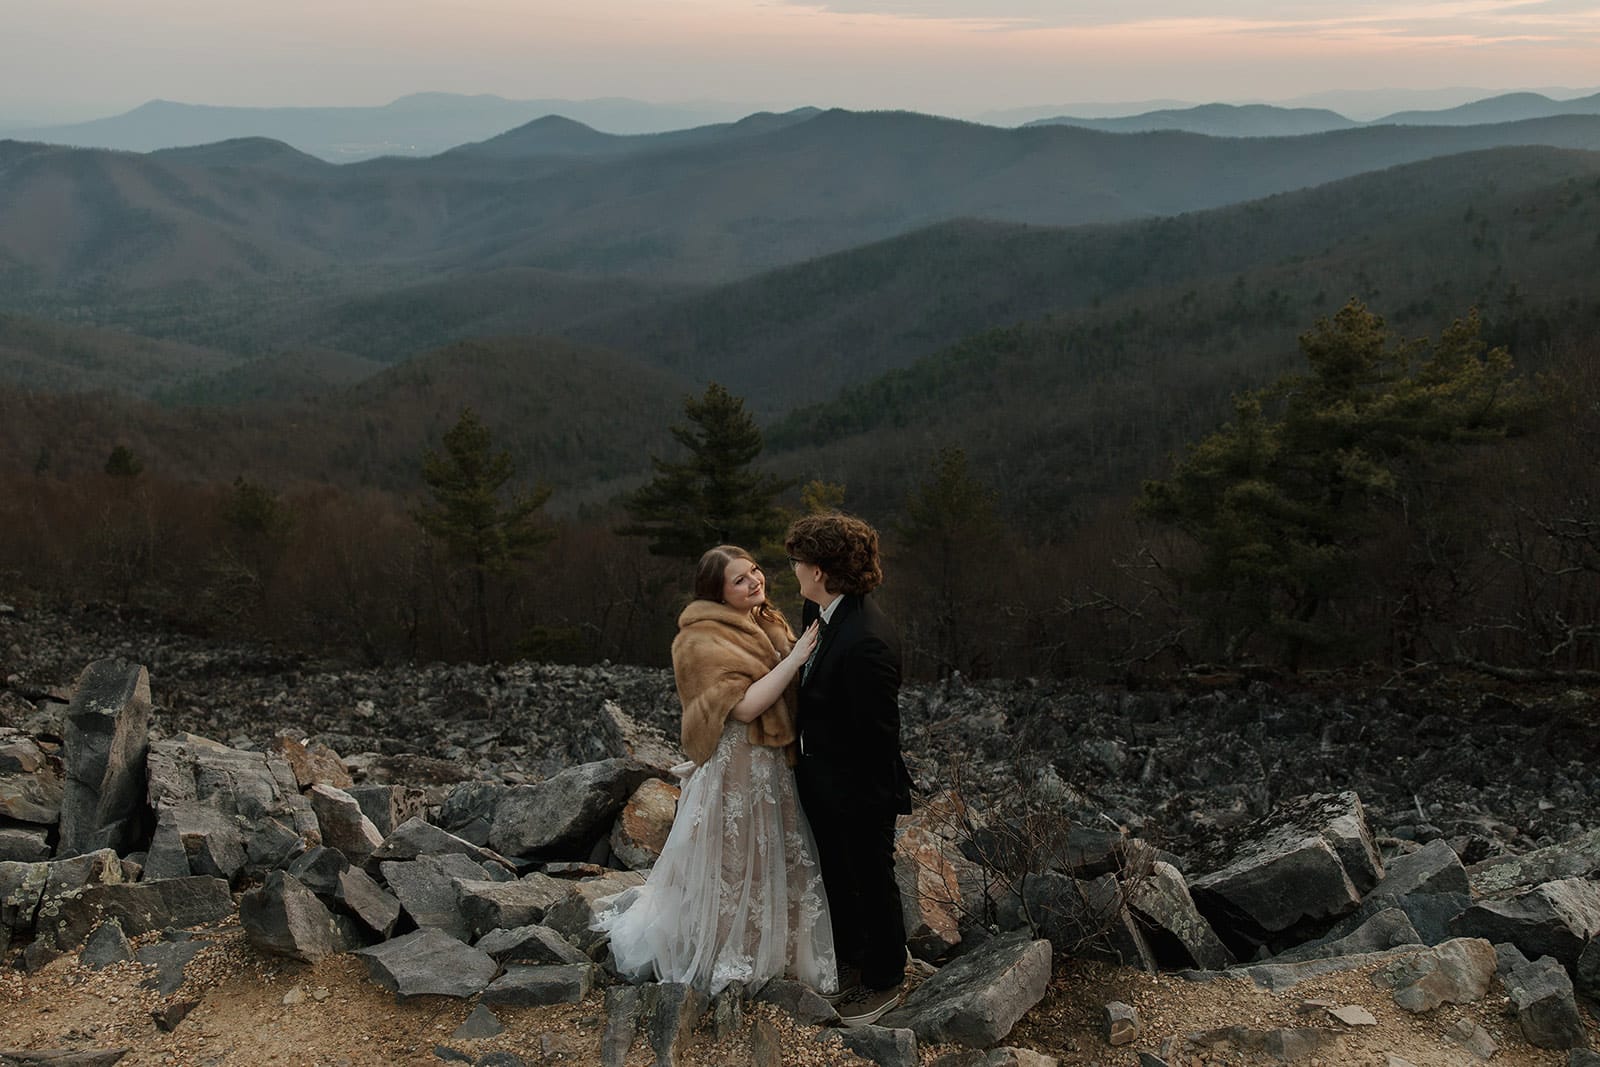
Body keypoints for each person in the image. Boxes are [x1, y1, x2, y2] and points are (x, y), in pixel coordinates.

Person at [591, 545, 838, 997]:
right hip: (739, 762)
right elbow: (742, 708)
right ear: (718, 592)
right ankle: (729, 952)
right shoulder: (700, 639)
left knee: (771, 858)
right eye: (740, 580)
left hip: (771, 762)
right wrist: (796, 658)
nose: (755, 582)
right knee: (733, 860)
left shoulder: (766, 619)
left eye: (755, 572)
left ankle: (775, 949)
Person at [784, 513, 914, 1027]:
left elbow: (876, 741)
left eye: (796, 562)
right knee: (840, 877)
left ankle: (885, 981)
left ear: (818, 570)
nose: (791, 570)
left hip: (860, 790)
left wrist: (855, 805)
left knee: (871, 879)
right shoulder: (820, 611)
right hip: (824, 778)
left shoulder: (866, 641)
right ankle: (854, 963)